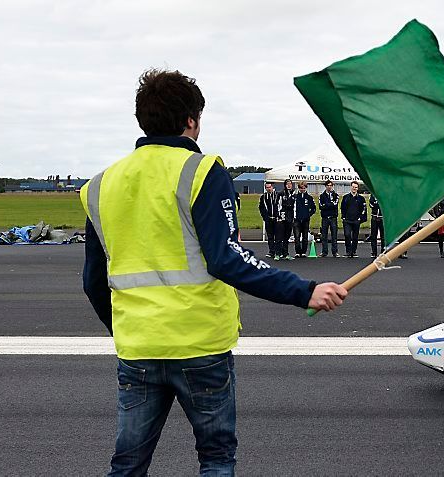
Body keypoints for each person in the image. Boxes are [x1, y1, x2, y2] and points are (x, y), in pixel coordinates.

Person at [80, 69, 347, 475]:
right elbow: (227, 257)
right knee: (216, 457)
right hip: (200, 343)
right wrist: (303, 290)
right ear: (191, 120)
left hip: (137, 346)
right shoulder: (202, 171)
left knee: (128, 463)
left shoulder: (100, 185)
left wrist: (124, 328)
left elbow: (93, 280)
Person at [341, 180, 366, 258]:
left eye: (356, 187)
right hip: (347, 220)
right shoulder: (345, 197)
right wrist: (344, 217)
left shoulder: (361, 198)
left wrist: (360, 219)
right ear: (350, 187)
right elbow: (342, 208)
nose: (354, 188)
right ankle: (348, 251)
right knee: (347, 235)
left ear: (358, 188)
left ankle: (353, 251)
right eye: (353, 187)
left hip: (356, 220)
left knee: (355, 237)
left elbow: (364, 209)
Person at [293, 181, 316, 257]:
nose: (302, 189)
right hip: (297, 220)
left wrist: (308, 215)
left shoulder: (309, 198)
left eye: (304, 188)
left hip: (306, 220)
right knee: (297, 236)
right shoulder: (295, 197)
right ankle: (297, 252)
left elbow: (313, 208)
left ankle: (303, 252)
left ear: (306, 188)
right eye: (301, 188)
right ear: (298, 188)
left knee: (305, 237)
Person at [274, 179, 296, 260]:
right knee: (279, 236)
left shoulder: (294, 193)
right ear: (285, 185)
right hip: (282, 216)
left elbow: (295, 206)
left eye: (290, 184)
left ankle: (286, 254)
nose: (289, 185)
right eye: (287, 184)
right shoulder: (281, 193)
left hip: (290, 217)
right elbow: (277, 205)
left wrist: (294, 217)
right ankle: (277, 254)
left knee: (287, 237)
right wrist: (278, 216)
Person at [319, 180, 340, 257]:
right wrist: (329, 204)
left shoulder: (335, 195)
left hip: (333, 218)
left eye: (331, 185)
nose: (329, 187)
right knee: (324, 236)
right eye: (328, 185)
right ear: (325, 186)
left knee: (334, 235)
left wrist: (327, 204)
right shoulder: (322, 196)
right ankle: (324, 252)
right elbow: (321, 206)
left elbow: (335, 204)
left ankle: (335, 252)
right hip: (325, 218)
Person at [258, 181, 278, 257]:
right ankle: (271, 251)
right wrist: (265, 217)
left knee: (278, 236)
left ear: (272, 187)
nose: (268, 189)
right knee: (270, 236)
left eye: (269, 187)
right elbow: (261, 208)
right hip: (268, 219)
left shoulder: (277, 195)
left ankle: (278, 251)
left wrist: (278, 216)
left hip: (276, 219)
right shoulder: (263, 197)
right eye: (267, 187)